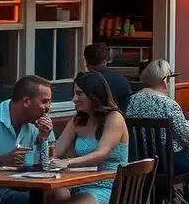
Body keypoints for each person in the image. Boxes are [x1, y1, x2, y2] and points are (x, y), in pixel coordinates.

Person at [48, 72, 129, 204]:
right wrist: (44, 136)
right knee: (53, 195)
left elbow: (101, 154)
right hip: (78, 183)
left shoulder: (114, 118)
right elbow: (57, 151)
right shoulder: (78, 120)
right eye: (74, 94)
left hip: (107, 186)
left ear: (94, 95)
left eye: (79, 94)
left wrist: (68, 162)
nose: (74, 99)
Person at [125, 60, 189, 187]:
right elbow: (187, 140)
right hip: (168, 162)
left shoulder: (130, 102)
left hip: (140, 161)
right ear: (164, 81)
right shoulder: (169, 105)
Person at [0, 75, 54, 203]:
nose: (48, 108)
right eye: (44, 102)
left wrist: (43, 138)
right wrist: (3, 160)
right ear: (26, 102)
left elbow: (46, 166)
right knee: (29, 200)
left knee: (58, 195)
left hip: (22, 184)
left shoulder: (39, 124)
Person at [82, 44, 130, 112]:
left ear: (86, 61)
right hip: (116, 120)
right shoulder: (123, 81)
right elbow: (127, 108)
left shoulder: (82, 81)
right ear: (105, 60)